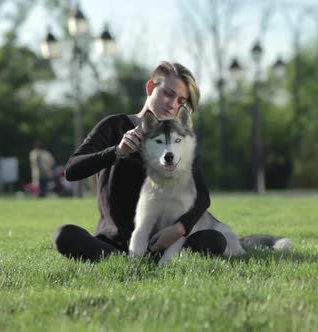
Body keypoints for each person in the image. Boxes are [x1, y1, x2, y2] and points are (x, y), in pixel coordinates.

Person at [53, 61, 227, 262]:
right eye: (168, 94)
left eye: (181, 101)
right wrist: (117, 151)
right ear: (151, 87)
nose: (172, 104)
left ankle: (156, 260)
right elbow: (72, 170)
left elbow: (202, 195)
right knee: (65, 235)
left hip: (161, 244)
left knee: (215, 241)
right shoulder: (114, 126)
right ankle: (123, 260)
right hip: (112, 243)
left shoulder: (180, 143)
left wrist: (180, 228)